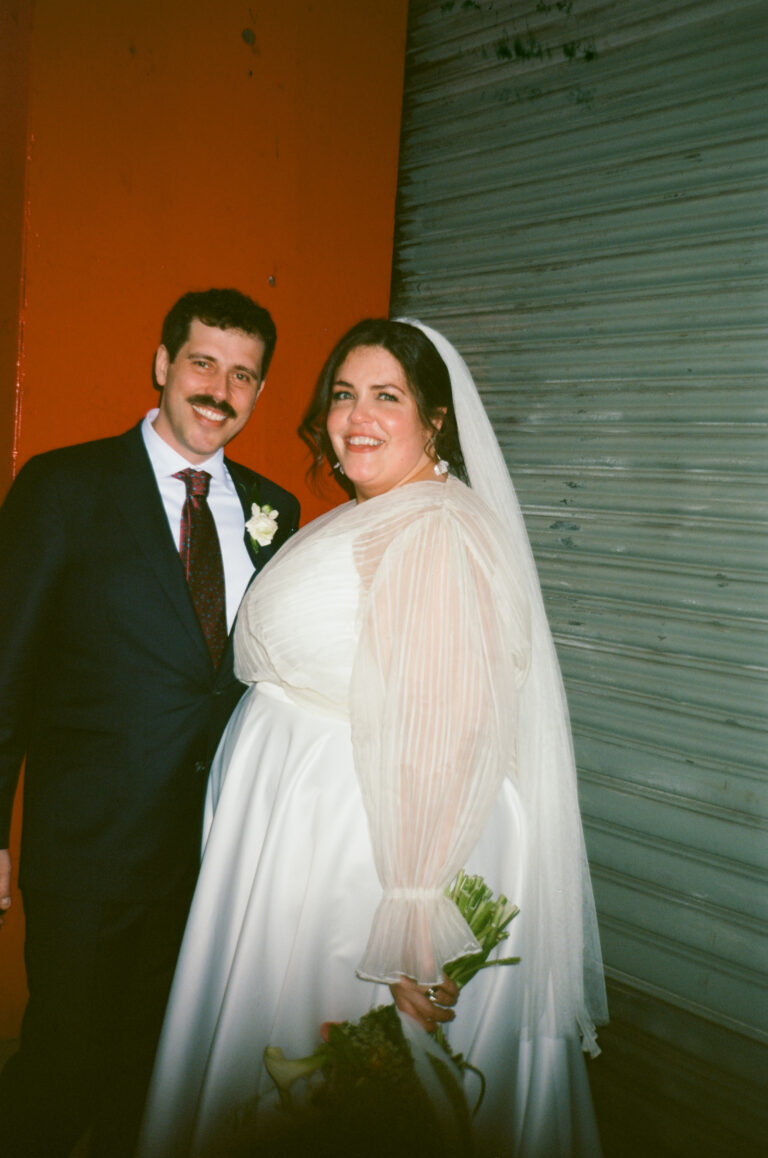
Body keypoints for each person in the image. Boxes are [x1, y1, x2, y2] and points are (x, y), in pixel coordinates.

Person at [138, 318, 607, 1157]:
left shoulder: (433, 530)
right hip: (314, 836)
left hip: (364, 858)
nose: (356, 417)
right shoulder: (385, 512)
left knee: (343, 1099)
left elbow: (449, 729)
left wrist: (415, 922)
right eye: (344, 394)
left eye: (387, 396)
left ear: (434, 420)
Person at [0, 287, 300, 1158]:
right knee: (62, 1067)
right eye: (203, 363)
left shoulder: (275, 512)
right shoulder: (64, 487)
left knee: (157, 1080)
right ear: (163, 364)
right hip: (90, 850)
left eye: (243, 375)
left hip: (214, 858)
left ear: (259, 391)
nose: (220, 391)